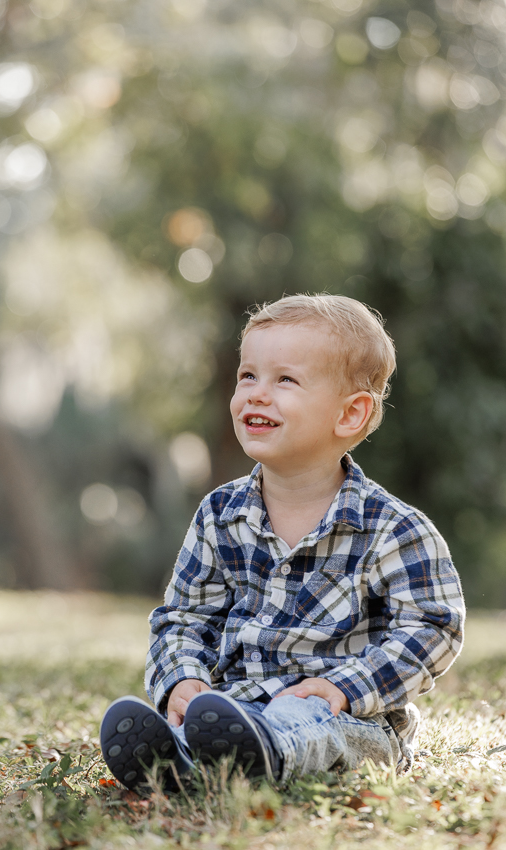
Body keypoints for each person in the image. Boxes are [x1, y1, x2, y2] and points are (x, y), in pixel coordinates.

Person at [100, 293, 465, 790]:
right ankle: (182, 761)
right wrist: (182, 680)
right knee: (205, 723)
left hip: (349, 719)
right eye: (247, 375)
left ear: (350, 415)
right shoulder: (219, 516)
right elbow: (184, 618)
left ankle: (261, 754)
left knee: (313, 729)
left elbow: (434, 627)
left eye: (284, 379)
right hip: (233, 709)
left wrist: (345, 688)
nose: (255, 393)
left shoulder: (393, 529)